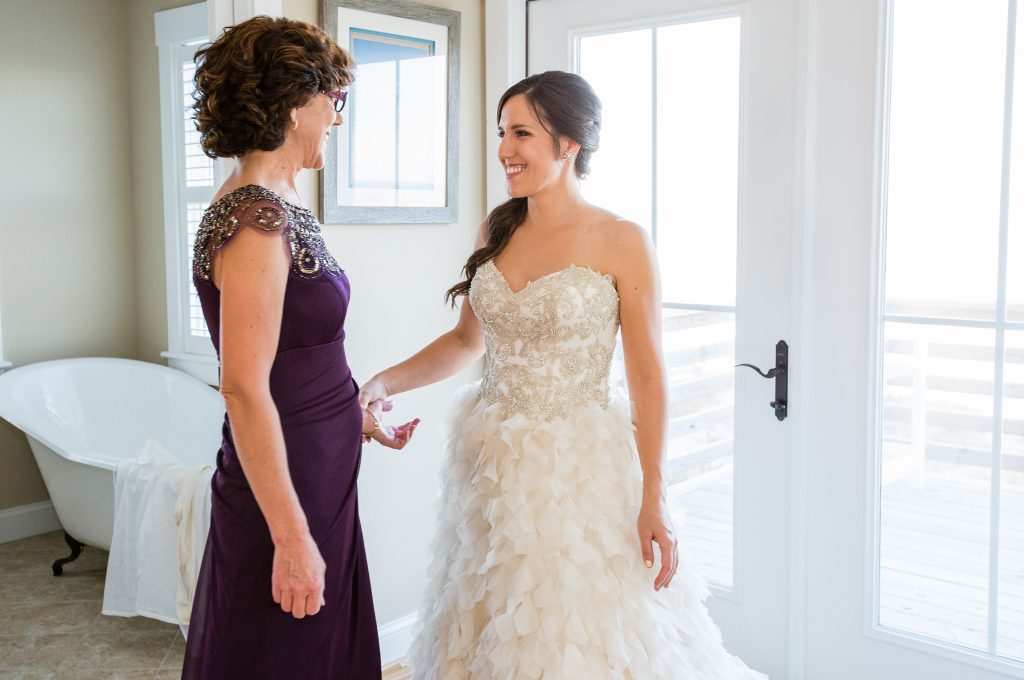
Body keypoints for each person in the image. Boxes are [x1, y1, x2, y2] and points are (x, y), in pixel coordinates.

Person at [359, 71, 765, 678]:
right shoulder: (497, 230)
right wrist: (381, 383)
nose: (504, 150)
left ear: (570, 142)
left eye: (521, 133)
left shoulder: (621, 240)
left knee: (574, 622)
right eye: (503, 133)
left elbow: (649, 379)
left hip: (580, 467)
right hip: (491, 460)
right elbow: (468, 340)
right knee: (491, 609)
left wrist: (655, 494)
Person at [181, 16, 419, 679]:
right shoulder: (256, 220)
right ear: (293, 105)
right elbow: (245, 385)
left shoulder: (278, 203)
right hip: (286, 492)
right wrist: (290, 536)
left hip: (320, 467)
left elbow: (302, 357)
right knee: (283, 653)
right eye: (332, 103)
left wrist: (357, 419)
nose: (335, 120)